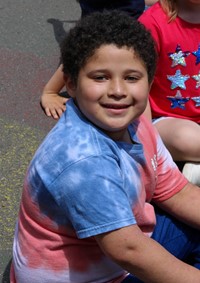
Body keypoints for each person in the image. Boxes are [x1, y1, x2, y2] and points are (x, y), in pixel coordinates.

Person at [11, 11, 200, 283]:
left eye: (132, 78)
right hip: (102, 274)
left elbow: (178, 192)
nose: (118, 91)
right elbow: (129, 251)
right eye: (100, 77)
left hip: (118, 252)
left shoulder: (137, 123)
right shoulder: (82, 159)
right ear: (72, 84)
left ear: (150, 81)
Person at [40, 0, 158, 120]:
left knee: (90, 48)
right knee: (87, 50)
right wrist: (50, 92)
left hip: (116, 12)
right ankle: (50, 91)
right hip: (116, 14)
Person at [139, 0, 200, 185]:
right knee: (188, 138)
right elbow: (139, 84)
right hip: (167, 120)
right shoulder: (152, 22)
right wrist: (145, 139)